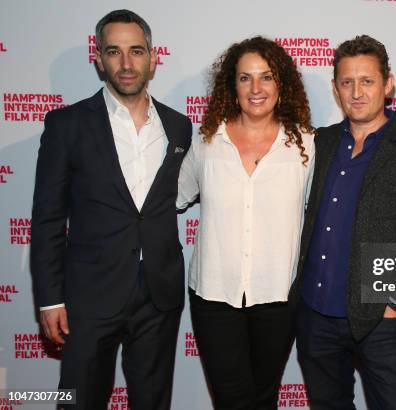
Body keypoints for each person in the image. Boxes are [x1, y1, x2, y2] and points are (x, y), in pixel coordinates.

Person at [30, 9, 192, 410]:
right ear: (99, 58)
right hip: (89, 294)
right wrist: (50, 300)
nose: (126, 63)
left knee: (153, 402)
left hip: (159, 293)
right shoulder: (66, 125)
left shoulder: (179, 127)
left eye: (136, 51)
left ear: (153, 57)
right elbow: (48, 218)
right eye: (113, 51)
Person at [290, 35, 396, 410]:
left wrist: (395, 304)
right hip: (315, 315)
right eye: (347, 82)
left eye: (367, 81)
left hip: (381, 321)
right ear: (336, 88)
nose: (357, 92)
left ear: (387, 84)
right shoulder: (318, 143)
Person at [176, 36, 315, 409]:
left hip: (276, 296)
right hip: (214, 295)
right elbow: (169, 199)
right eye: (245, 78)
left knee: (264, 396)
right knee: (231, 399)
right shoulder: (206, 143)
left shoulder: (305, 146)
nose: (256, 89)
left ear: (281, 84)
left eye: (266, 77)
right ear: (231, 86)